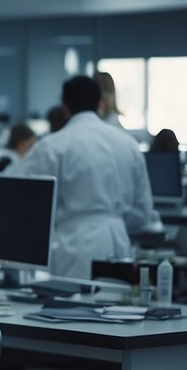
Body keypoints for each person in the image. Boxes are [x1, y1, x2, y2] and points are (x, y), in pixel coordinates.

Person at [15, 76, 160, 279]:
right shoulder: (128, 144)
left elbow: (28, 204)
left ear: (65, 106)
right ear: (100, 103)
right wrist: (113, 222)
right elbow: (143, 211)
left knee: (74, 297)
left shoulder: (52, 146)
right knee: (116, 298)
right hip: (119, 239)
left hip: (74, 244)